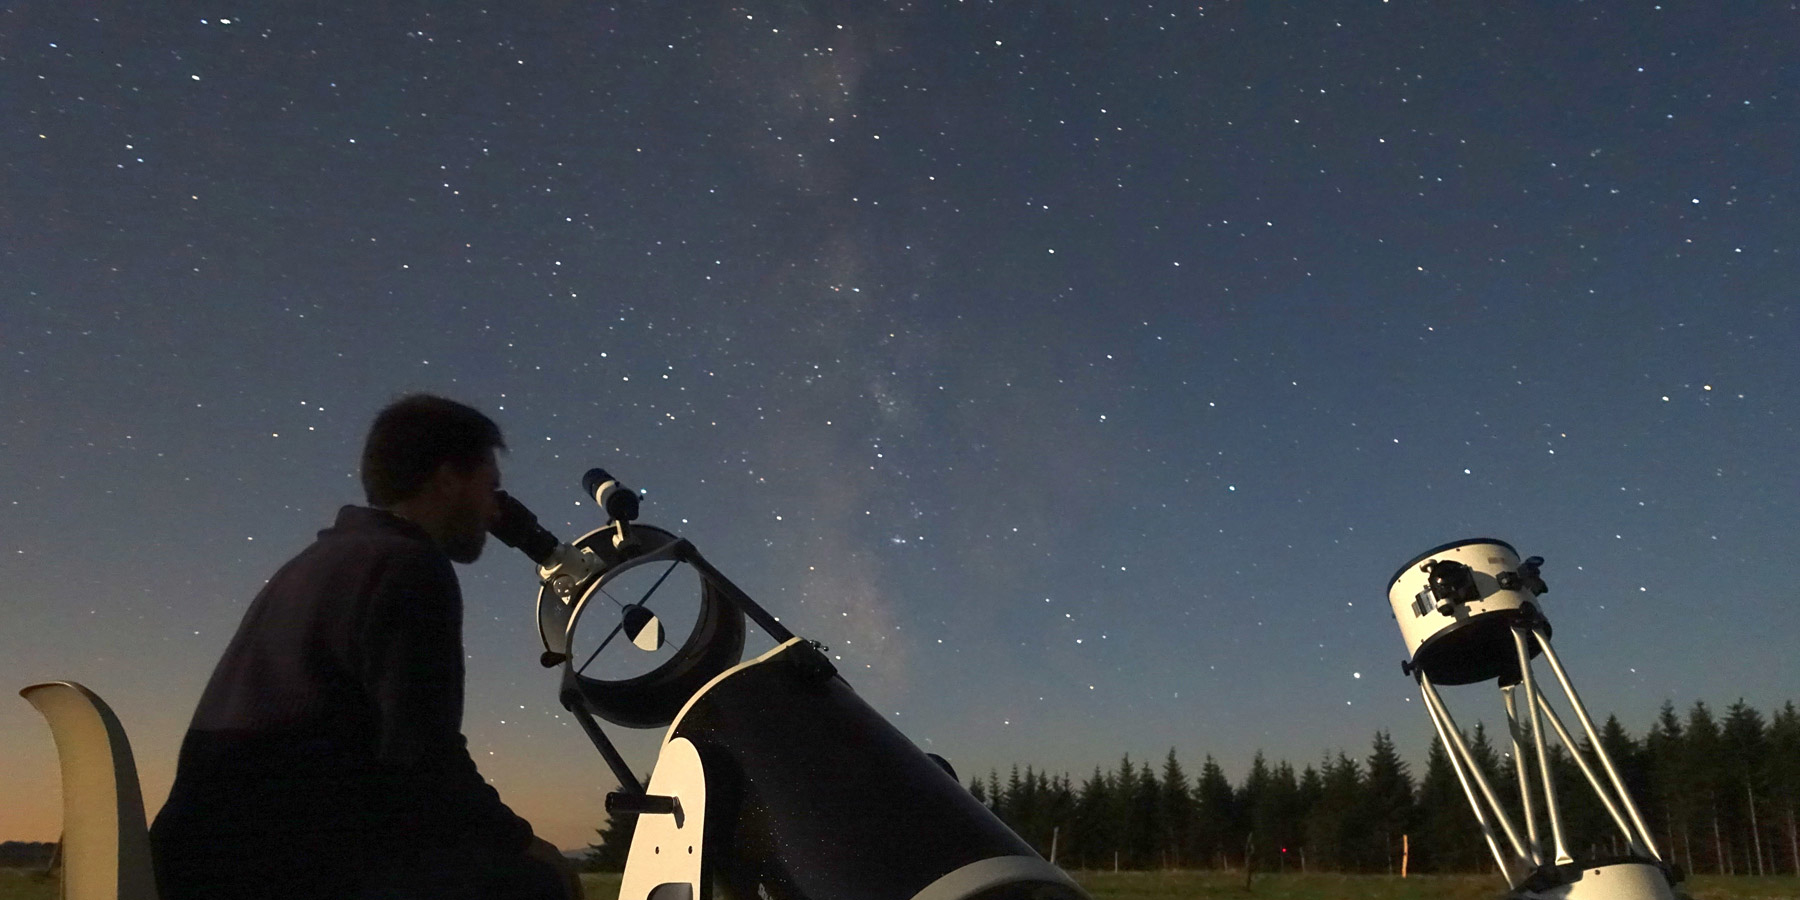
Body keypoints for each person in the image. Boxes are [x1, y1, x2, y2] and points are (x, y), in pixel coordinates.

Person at [151, 394, 582, 900]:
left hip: (200, 855)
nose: (494, 511)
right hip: (276, 866)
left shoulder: (318, 562)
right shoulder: (407, 566)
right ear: (446, 479)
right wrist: (523, 841)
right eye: (490, 488)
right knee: (539, 884)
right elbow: (424, 758)